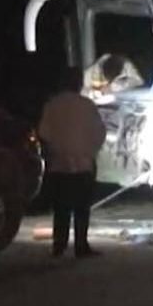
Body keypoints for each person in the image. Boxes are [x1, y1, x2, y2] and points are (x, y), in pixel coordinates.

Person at [38, 67, 107, 258]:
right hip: (83, 163)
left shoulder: (52, 105)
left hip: (59, 164)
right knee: (82, 208)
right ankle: (81, 245)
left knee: (61, 207)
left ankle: (59, 246)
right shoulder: (87, 106)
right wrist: (90, 152)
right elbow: (99, 133)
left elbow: (44, 133)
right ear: (79, 84)